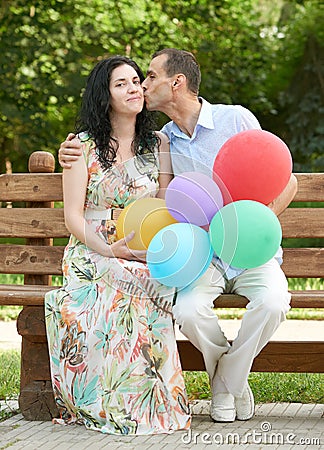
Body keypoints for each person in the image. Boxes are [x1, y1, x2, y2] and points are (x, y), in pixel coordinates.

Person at [58, 48, 298, 423]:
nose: (142, 85)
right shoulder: (163, 139)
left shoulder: (233, 121)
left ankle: (227, 382)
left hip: (251, 252)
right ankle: (203, 384)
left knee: (273, 304)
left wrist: (258, 222)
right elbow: (163, 204)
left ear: (177, 82)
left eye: (146, 77)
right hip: (200, 253)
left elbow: (284, 176)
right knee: (186, 310)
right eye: (130, 82)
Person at [44, 55, 191, 435]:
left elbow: (163, 202)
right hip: (92, 249)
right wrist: (109, 249)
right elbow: (73, 218)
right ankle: (114, 404)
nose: (133, 89)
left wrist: (153, 247)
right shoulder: (82, 147)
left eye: (136, 81)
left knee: (155, 279)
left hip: (140, 246)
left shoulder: (157, 143)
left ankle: (156, 404)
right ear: (104, 96)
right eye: (120, 83)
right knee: (125, 281)